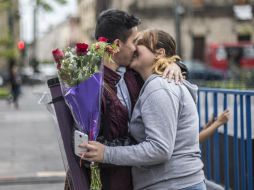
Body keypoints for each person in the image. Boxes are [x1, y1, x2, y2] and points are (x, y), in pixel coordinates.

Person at [64, 9, 187, 190]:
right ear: (117, 44)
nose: (137, 47)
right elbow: (85, 147)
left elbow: (162, 67)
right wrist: (138, 145)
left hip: (138, 180)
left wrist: (175, 65)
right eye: (135, 41)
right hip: (109, 182)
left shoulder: (134, 73)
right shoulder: (89, 86)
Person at [80, 29, 206, 190]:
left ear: (159, 53)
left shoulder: (159, 87)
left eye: (140, 43)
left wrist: (107, 153)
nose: (133, 48)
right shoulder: (154, 83)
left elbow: (160, 149)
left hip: (172, 184)